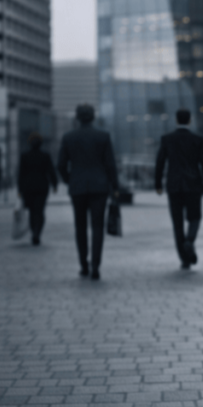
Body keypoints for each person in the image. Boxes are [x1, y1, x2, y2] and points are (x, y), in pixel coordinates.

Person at [58, 104, 119, 280]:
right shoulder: (103, 136)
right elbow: (110, 165)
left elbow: (61, 165)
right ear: (93, 117)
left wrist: (70, 179)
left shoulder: (68, 137)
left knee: (80, 226)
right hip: (99, 187)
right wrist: (114, 187)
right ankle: (95, 265)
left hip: (77, 187)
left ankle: (83, 264)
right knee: (98, 226)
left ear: (77, 117)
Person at [155, 109, 203, 270]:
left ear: (176, 119)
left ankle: (184, 259)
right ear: (190, 120)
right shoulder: (197, 140)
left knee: (177, 223)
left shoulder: (167, 139)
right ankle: (190, 240)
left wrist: (158, 184)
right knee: (195, 217)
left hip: (174, 186)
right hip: (193, 185)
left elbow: (160, 162)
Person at [17, 132, 58, 245]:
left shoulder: (24, 156)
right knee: (39, 211)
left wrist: (19, 190)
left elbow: (21, 174)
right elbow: (51, 171)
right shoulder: (45, 156)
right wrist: (55, 185)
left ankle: (34, 232)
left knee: (31, 212)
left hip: (28, 188)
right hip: (42, 187)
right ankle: (37, 233)